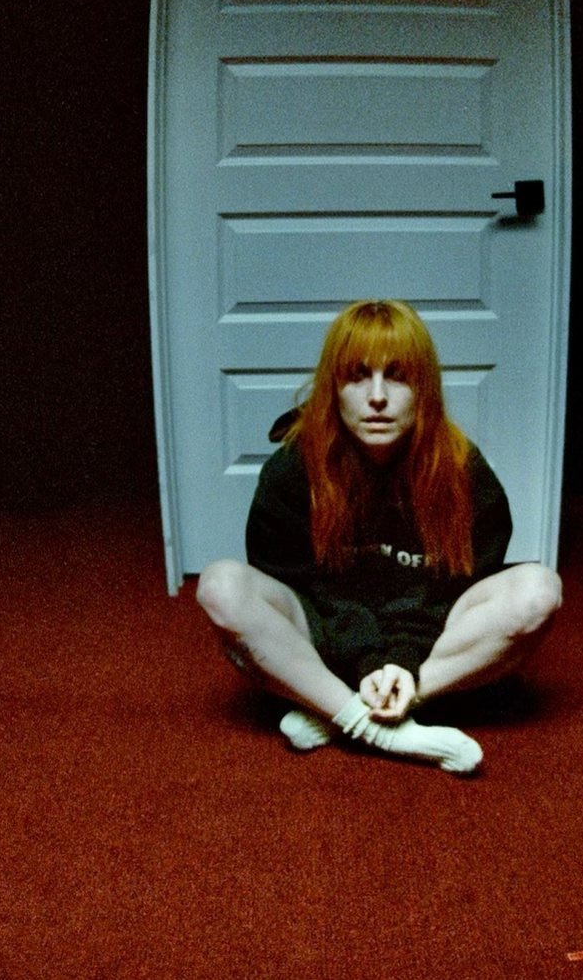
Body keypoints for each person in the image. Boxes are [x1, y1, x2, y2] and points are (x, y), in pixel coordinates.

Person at [196, 299, 562, 774]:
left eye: (397, 376)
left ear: (423, 388)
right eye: (357, 377)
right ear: (333, 388)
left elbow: (455, 593)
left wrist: (403, 664)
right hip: (328, 637)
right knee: (220, 586)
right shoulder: (292, 470)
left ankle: (346, 709)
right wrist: (367, 659)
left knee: (539, 591)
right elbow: (299, 588)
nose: (377, 397)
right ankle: (382, 728)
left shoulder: (464, 472)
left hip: (427, 648)